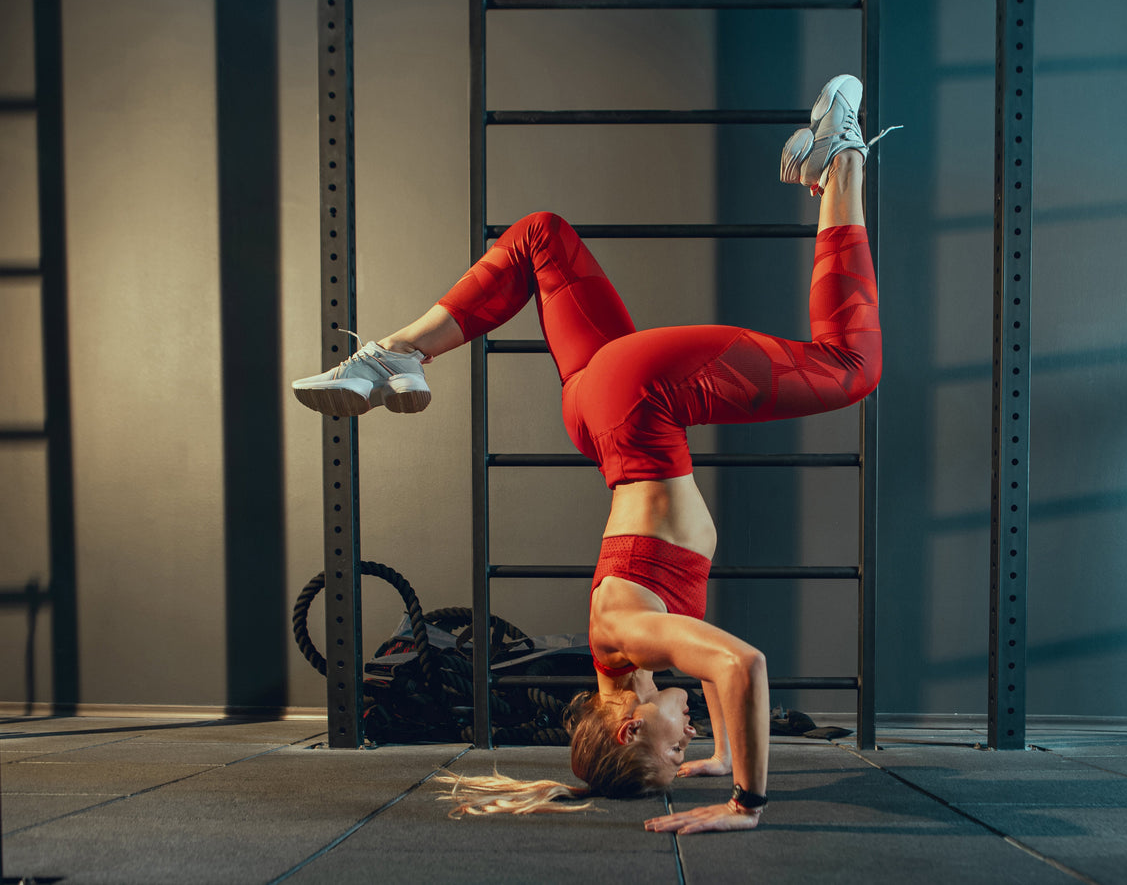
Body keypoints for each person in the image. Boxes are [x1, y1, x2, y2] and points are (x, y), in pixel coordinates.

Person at [292, 74, 886, 834]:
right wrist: (717, 754)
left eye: (674, 752)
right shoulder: (625, 657)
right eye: (686, 756)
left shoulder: (629, 638)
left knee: (849, 366)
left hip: (642, 401)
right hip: (593, 407)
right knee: (541, 234)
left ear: (628, 727)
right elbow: (704, 674)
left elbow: (742, 666)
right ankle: (395, 353)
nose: (687, 745)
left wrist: (745, 800)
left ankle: (843, 159)